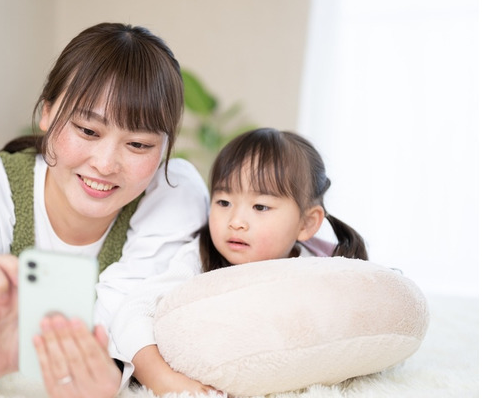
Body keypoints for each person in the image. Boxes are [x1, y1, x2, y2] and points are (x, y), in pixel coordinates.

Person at [0, 22, 210, 398]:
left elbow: (135, 309)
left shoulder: (174, 191)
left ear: (165, 147)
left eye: (138, 145)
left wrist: (104, 377)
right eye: (88, 131)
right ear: (46, 112)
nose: (106, 164)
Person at [109, 128, 369, 395]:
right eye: (223, 202)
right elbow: (134, 311)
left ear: (306, 223)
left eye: (260, 207)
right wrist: (161, 378)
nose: (235, 222)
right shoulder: (198, 257)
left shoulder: (318, 268)